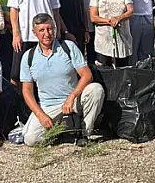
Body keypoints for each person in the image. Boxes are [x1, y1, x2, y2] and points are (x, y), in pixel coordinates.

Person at [20, 14, 105, 146]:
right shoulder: (28, 56)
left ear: (55, 29)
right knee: (30, 139)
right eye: (41, 30)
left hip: (73, 101)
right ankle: (60, 131)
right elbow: (27, 90)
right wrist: (40, 114)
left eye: (50, 29)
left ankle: (83, 133)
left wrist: (72, 96)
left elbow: (87, 75)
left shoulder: (68, 47)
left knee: (96, 90)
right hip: (48, 105)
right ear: (34, 33)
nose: (47, 34)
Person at [8, 0, 64, 82]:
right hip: (26, 34)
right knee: (17, 74)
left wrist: (57, 30)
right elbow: (14, 8)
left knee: (44, 73)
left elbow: (55, 7)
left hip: (46, 34)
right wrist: (16, 33)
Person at [90, 0, 135, 67]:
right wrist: (109, 21)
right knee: (105, 69)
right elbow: (93, 17)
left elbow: (130, 11)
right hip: (103, 42)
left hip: (123, 40)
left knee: (123, 68)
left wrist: (118, 18)